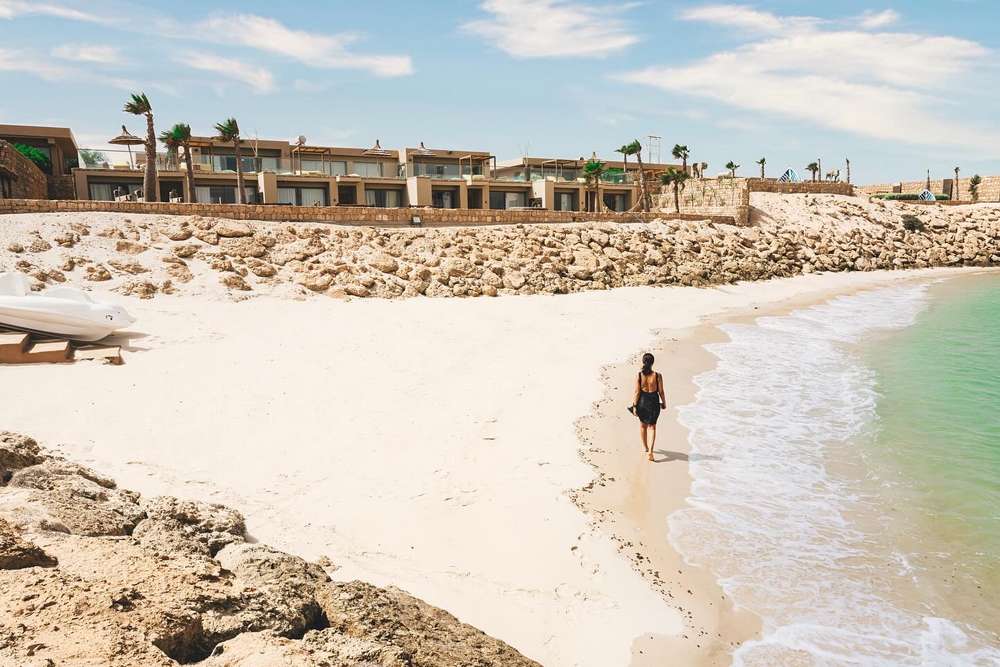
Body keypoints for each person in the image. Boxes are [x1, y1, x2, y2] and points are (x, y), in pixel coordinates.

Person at [631, 353, 666, 462]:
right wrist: (664, 402)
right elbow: (661, 391)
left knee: (642, 425)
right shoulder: (658, 375)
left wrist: (635, 406)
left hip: (642, 401)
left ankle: (645, 447)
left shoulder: (639, 375)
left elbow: (637, 392)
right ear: (653, 362)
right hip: (654, 401)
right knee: (652, 427)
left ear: (643, 362)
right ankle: (651, 450)